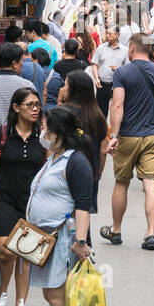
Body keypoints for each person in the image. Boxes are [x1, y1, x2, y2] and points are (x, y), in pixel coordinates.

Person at [25, 107, 110, 306]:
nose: (42, 132)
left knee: (57, 296)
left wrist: (81, 242)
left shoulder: (76, 162)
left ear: (58, 132)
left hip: (65, 239)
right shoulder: (54, 158)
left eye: (45, 127)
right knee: (59, 296)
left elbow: (83, 206)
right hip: (46, 239)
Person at [103, 33, 154, 250]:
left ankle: (116, 230)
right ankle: (150, 234)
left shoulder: (123, 73)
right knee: (151, 184)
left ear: (132, 48)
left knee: (121, 182)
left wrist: (114, 135)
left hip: (128, 135)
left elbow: (117, 105)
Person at [0, 87, 45, 306]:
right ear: (16, 108)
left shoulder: (44, 135)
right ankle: (1, 296)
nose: (35, 109)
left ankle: (21, 304)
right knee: (6, 251)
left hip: (32, 203)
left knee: (25, 254)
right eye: (30, 105)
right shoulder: (1, 134)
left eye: (38, 104)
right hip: (2, 199)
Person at [63, 70, 111, 212]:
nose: (63, 89)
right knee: (84, 213)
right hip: (90, 172)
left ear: (73, 90)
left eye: (65, 86)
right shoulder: (97, 115)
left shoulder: (62, 113)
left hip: (65, 172)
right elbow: (103, 151)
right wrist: (98, 172)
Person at [0, 42, 35, 132]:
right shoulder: (27, 86)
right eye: (21, 60)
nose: (22, 63)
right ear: (14, 64)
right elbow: (32, 116)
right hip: (19, 139)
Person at [91, 26, 129, 116]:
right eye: (106, 33)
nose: (107, 35)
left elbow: (128, 68)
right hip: (102, 83)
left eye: (109, 34)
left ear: (117, 35)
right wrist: (96, 78)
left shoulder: (124, 50)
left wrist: (118, 70)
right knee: (101, 111)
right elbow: (94, 65)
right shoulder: (101, 48)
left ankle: (115, 128)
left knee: (117, 110)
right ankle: (102, 128)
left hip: (117, 85)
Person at [44, 38, 88, 107]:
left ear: (65, 50)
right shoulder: (82, 64)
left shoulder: (57, 65)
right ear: (77, 51)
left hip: (62, 98)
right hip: (78, 98)